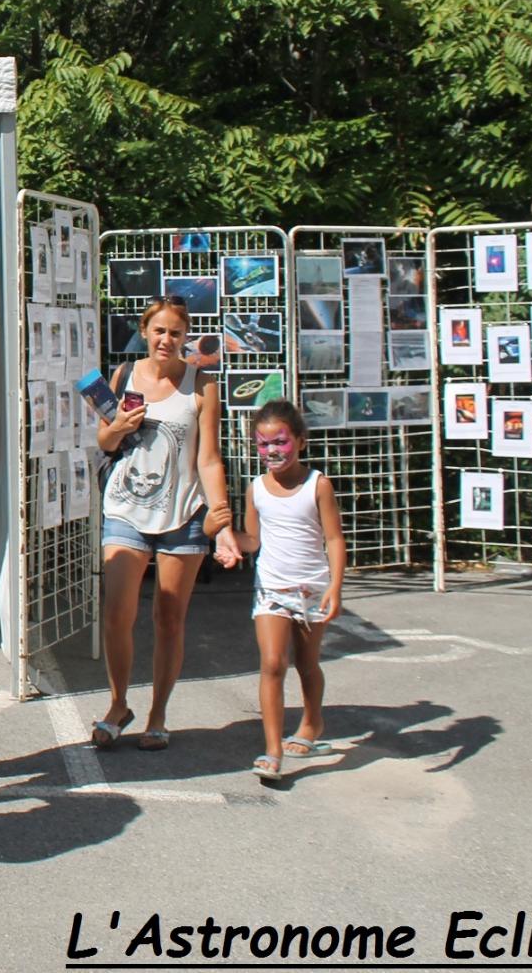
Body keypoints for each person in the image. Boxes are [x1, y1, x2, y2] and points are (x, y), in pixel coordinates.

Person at [91, 296, 232, 752]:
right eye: (158, 331)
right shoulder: (122, 377)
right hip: (126, 508)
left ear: (185, 336)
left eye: (175, 332)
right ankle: (117, 704)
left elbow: (208, 458)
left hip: (183, 513)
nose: (166, 340)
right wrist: (119, 426)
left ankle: (157, 714)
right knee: (117, 612)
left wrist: (223, 518)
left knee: (168, 618)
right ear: (145, 331)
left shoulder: (202, 385)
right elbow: (105, 441)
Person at [214, 400, 345, 782]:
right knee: (273, 663)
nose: (272, 451)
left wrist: (335, 587)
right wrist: (226, 541)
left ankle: (312, 722)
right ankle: (272, 750)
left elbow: (334, 539)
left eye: (280, 442)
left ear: (300, 442)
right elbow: (252, 539)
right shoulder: (256, 488)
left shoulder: (318, 485)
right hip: (270, 588)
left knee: (307, 663)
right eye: (263, 444)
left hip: (311, 589)